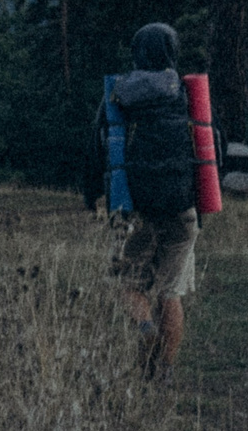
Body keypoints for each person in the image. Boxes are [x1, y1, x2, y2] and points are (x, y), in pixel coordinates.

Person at [84, 22, 200, 381]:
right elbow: (213, 147)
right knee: (172, 290)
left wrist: (92, 195)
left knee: (131, 283)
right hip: (181, 208)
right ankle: (164, 370)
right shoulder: (184, 92)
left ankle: (145, 327)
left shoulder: (118, 93)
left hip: (135, 207)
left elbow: (97, 146)